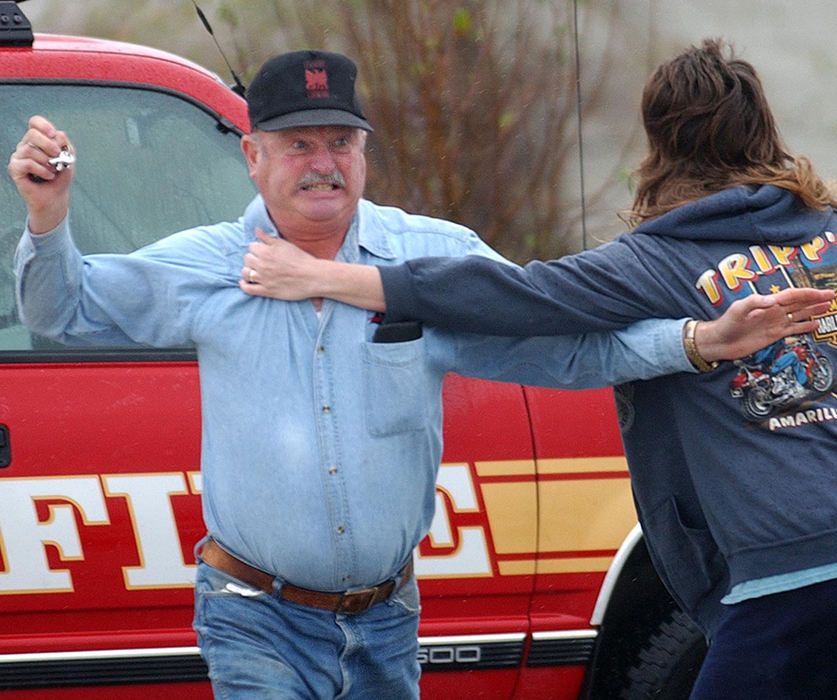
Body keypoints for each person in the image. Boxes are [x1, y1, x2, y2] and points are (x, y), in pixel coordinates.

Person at [7, 48, 831, 700]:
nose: (321, 162)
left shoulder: (435, 259)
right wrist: (49, 219)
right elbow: (64, 310)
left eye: (340, 142)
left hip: (386, 620)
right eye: (298, 145)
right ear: (252, 157)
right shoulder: (208, 268)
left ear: (366, 152)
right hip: (252, 614)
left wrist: (692, 343)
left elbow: (567, 346)